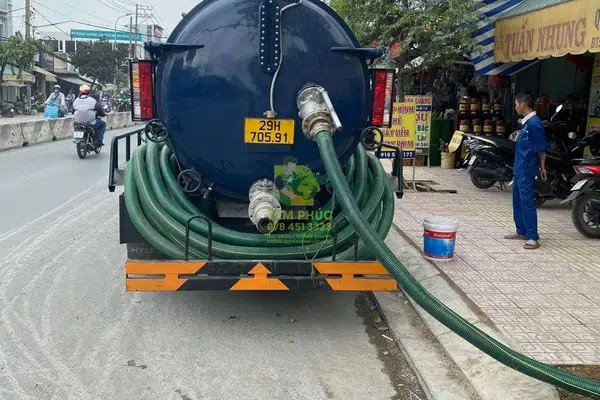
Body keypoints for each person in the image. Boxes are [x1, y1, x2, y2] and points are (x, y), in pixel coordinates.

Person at [504, 92, 549, 250]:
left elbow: (541, 148)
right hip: (519, 167)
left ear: (523, 104)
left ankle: (532, 237)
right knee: (517, 200)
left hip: (527, 169)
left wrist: (542, 167)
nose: (516, 107)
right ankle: (521, 230)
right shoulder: (526, 123)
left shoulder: (535, 124)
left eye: (516, 104)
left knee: (527, 201)